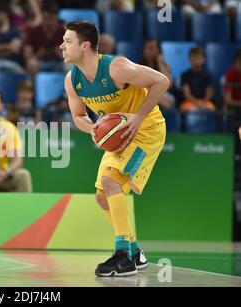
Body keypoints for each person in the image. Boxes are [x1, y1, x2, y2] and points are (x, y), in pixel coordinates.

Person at [61, 21, 169, 277]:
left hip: (146, 131)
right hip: (119, 135)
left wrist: (139, 116)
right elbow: (78, 116)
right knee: (102, 196)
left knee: (110, 183)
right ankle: (134, 251)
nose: (61, 46)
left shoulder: (116, 68)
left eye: (67, 41)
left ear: (85, 46)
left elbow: (161, 81)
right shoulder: (72, 80)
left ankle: (123, 256)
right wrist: (94, 130)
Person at [24, 0, 65, 74]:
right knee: (32, 64)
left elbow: (74, 55)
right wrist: (39, 54)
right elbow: (28, 56)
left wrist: (61, 54)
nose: (48, 22)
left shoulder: (64, 31)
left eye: (51, 19)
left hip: (60, 63)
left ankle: (68, 85)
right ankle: (35, 85)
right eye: (46, 19)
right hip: (41, 63)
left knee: (71, 66)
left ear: (56, 18)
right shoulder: (34, 31)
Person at [139, 38, 175, 110]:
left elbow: (169, 84)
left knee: (170, 100)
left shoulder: (165, 66)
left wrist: (160, 63)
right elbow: (140, 87)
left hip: (163, 93)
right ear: (144, 50)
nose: (150, 51)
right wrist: (157, 98)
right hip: (145, 94)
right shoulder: (139, 67)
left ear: (158, 50)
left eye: (152, 48)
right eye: (148, 48)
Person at [180, 46, 215, 112]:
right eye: (194, 58)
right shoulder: (184, 75)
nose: (196, 61)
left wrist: (203, 102)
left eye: (198, 58)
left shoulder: (208, 75)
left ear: (203, 59)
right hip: (189, 102)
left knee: (211, 108)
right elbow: (187, 94)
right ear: (189, 59)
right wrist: (197, 102)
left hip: (205, 102)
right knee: (184, 108)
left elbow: (209, 93)